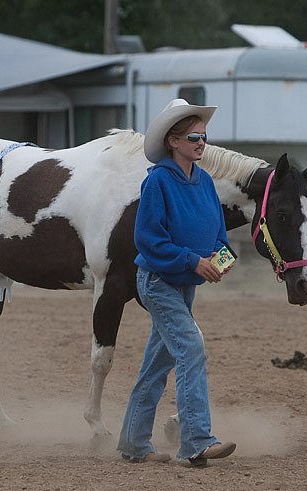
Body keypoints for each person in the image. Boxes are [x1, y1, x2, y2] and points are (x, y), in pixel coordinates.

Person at [117, 99, 237, 466]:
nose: (201, 143)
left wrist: (219, 261)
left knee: (157, 364)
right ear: (173, 141)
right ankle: (196, 440)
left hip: (185, 285)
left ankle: (134, 444)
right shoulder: (157, 182)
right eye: (193, 137)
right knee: (191, 348)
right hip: (156, 282)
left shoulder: (205, 183)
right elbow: (148, 240)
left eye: (203, 136)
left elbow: (220, 237)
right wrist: (192, 261)